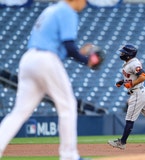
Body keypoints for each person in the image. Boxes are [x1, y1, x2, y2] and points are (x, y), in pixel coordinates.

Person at [0, 0, 97, 159]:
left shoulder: (51, 10)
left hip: (29, 59)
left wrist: (79, 53)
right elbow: (69, 46)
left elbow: (62, 47)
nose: (86, 3)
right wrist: (86, 60)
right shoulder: (68, 11)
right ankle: (69, 156)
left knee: (19, 112)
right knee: (68, 106)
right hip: (46, 59)